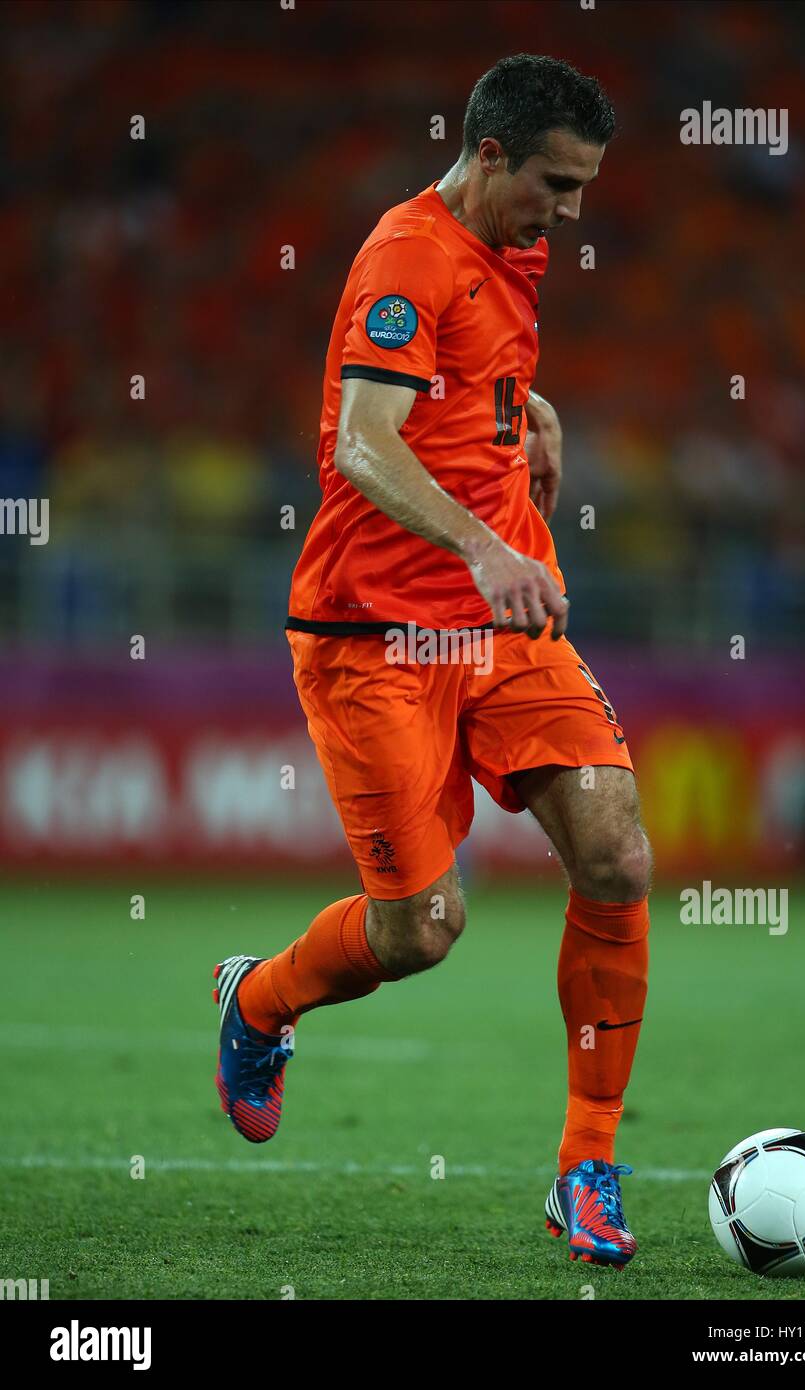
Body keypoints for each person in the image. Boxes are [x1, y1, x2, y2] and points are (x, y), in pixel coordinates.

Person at [214, 53, 652, 1269]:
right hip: (376, 638)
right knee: (421, 930)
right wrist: (479, 547)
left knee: (616, 853)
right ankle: (256, 1003)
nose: (571, 213)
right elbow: (363, 440)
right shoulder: (403, 254)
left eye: (583, 190)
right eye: (557, 185)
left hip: (505, 625)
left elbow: (466, 375)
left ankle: (587, 1165)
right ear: (492, 153)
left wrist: (532, 407)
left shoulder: (513, 245)